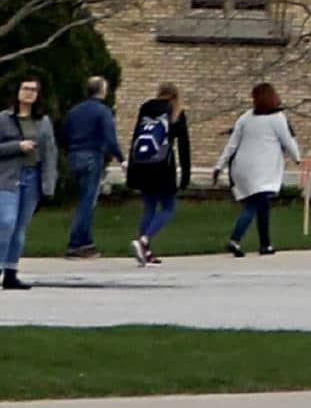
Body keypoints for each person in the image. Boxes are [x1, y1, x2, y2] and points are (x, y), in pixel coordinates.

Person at [220, 83, 298, 256]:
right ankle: (235, 239)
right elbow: (288, 141)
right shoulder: (278, 118)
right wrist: (297, 157)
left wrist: (220, 165)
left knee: (262, 205)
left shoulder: (245, 117)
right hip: (261, 170)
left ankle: (266, 244)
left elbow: (232, 144)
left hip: (241, 168)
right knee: (254, 205)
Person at [124, 84, 186, 268]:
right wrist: (186, 175)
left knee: (149, 207)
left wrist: (132, 169)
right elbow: (183, 145)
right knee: (168, 207)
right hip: (163, 167)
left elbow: (136, 137)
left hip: (143, 165)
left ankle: (146, 252)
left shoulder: (146, 110)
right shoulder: (175, 112)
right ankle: (145, 240)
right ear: (175, 96)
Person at [56, 78, 112, 255]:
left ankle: (86, 241)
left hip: (74, 156)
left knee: (84, 199)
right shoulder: (102, 111)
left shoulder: (74, 111)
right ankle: (77, 243)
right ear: (102, 90)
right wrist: (121, 158)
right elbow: (109, 136)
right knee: (88, 201)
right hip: (92, 156)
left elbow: (63, 135)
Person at [0, 77, 46, 290]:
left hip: (32, 177)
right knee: (6, 223)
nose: (28, 93)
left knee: (20, 227)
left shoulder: (42, 121)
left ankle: (11, 272)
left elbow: (50, 151)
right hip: (8, 177)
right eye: (25, 88)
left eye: (33, 90)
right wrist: (18, 146)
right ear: (17, 92)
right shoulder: (4, 118)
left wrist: (48, 181)